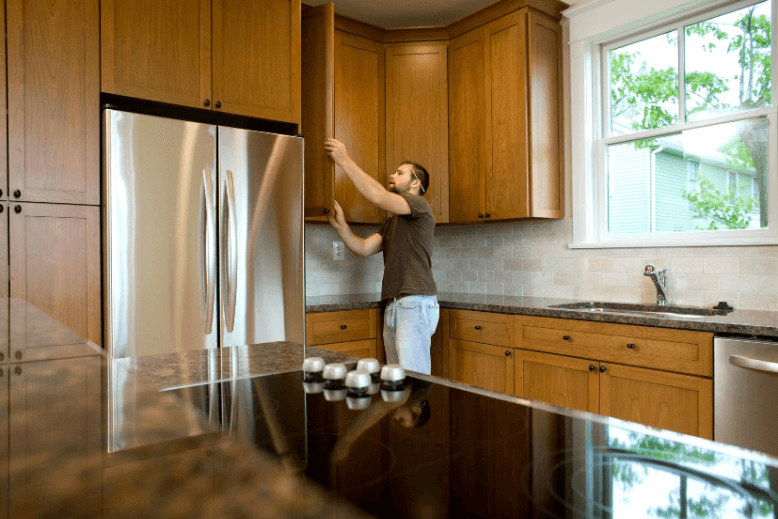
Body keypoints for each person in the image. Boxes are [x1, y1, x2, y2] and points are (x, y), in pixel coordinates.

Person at [324, 138, 439, 375]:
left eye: (400, 173)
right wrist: (341, 226)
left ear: (415, 182)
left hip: (414, 303)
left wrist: (345, 160)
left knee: (413, 381)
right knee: (397, 380)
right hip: (395, 305)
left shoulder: (419, 206)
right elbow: (363, 248)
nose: (392, 175)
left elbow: (377, 196)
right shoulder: (394, 221)